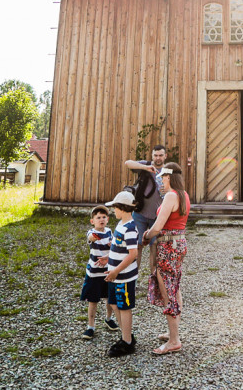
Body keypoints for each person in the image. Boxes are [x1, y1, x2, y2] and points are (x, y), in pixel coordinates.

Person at [143, 162, 190, 355]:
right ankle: (174, 331)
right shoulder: (183, 195)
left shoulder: (171, 196)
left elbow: (157, 226)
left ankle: (174, 340)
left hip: (168, 246)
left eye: (163, 177)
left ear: (169, 177)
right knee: (175, 286)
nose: (161, 180)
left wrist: (146, 236)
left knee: (167, 290)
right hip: (179, 244)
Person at [104, 190, 139, 357]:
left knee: (124, 307)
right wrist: (107, 258)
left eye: (115, 208)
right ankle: (126, 335)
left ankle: (127, 342)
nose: (113, 211)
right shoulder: (120, 225)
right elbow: (118, 248)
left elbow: (133, 254)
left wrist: (117, 270)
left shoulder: (130, 228)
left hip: (123, 277)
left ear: (123, 208)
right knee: (113, 303)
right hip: (114, 275)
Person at [80, 206, 119, 339]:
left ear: (107, 219)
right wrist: (93, 238)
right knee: (93, 299)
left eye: (103, 217)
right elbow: (90, 237)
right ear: (92, 221)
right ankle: (90, 326)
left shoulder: (109, 231)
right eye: (98, 218)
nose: (101, 220)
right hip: (94, 273)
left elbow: (114, 245)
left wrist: (111, 245)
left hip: (108, 271)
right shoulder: (91, 232)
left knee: (109, 298)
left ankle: (108, 318)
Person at [124, 145, 166, 263]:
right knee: (137, 246)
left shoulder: (168, 170)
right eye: (155, 155)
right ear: (152, 156)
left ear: (165, 156)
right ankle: (134, 278)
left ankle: (153, 279)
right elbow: (127, 163)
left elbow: (176, 190)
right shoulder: (145, 165)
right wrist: (146, 167)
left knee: (155, 247)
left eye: (161, 155)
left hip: (157, 217)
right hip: (140, 213)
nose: (158, 158)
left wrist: (167, 191)